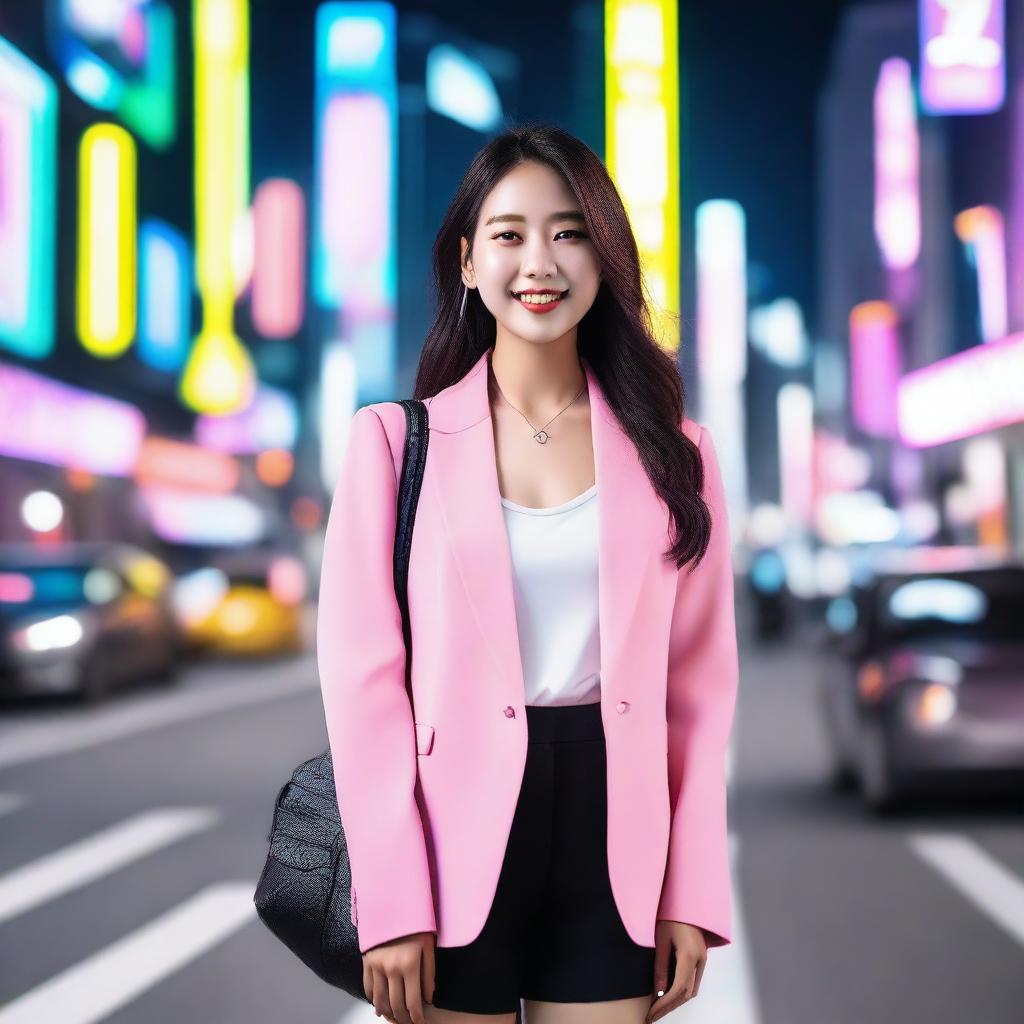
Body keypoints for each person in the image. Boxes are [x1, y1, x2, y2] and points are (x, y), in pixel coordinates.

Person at [316, 123, 739, 1024]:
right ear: (468, 262)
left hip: (614, 834)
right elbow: (364, 687)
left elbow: (700, 689)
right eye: (508, 234)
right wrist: (390, 901)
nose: (538, 260)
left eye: (569, 231)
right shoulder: (395, 444)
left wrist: (691, 890)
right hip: (448, 839)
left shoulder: (680, 457)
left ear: (606, 256)